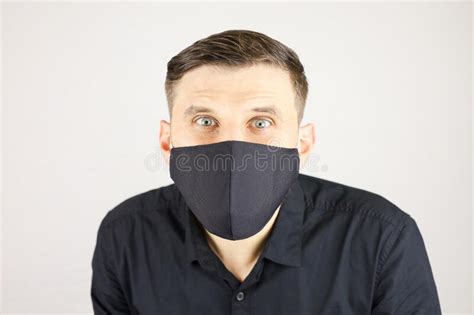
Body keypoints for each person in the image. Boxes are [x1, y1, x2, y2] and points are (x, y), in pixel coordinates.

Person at [91, 29, 442, 314]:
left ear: (302, 145)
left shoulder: (381, 239)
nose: (232, 144)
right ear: (168, 142)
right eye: (205, 120)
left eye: (261, 121)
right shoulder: (125, 237)